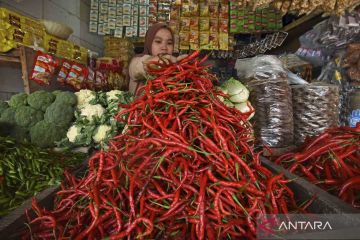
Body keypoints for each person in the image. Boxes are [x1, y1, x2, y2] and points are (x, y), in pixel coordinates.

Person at [128, 23, 188, 95]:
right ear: (149, 43)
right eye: (158, 41)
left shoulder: (176, 69)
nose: (164, 47)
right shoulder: (136, 60)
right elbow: (138, 67)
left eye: (169, 43)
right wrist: (155, 63)